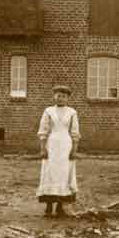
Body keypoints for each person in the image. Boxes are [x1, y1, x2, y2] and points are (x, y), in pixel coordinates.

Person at [37, 84, 80, 217]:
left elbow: (75, 133)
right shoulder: (48, 111)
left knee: (64, 174)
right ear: (54, 96)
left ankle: (60, 206)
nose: (60, 98)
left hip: (65, 145)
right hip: (52, 144)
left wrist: (74, 150)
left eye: (63, 96)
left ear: (67, 98)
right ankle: (49, 206)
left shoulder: (72, 113)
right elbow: (43, 131)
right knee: (49, 172)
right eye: (58, 96)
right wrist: (43, 148)